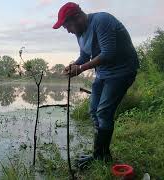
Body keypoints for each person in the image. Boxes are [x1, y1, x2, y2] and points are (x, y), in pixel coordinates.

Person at [52, 2, 139, 168]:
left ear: (77, 17)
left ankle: (100, 156)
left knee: (104, 111)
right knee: (93, 110)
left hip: (123, 71)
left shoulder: (102, 20)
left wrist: (81, 69)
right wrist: (74, 65)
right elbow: (85, 54)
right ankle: (101, 154)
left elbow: (108, 53)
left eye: (67, 26)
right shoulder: (81, 32)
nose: (69, 31)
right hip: (104, 73)